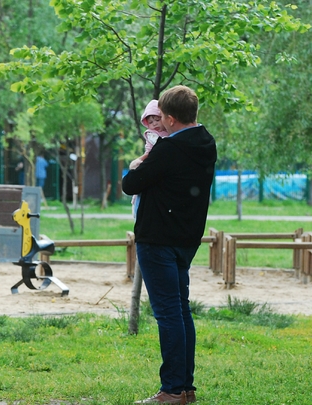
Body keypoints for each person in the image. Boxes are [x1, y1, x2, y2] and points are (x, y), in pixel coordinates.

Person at [122, 85, 217, 405]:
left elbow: (130, 184)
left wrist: (136, 164)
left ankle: (173, 389)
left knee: (168, 314)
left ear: (172, 119)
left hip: (157, 239)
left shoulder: (168, 149)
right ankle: (185, 386)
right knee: (181, 310)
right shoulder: (206, 142)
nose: (158, 122)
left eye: (161, 116)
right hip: (186, 239)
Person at [130, 99, 171, 217]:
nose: (154, 124)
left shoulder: (170, 132)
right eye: (151, 122)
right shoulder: (152, 134)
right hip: (150, 160)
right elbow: (152, 151)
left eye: (157, 120)